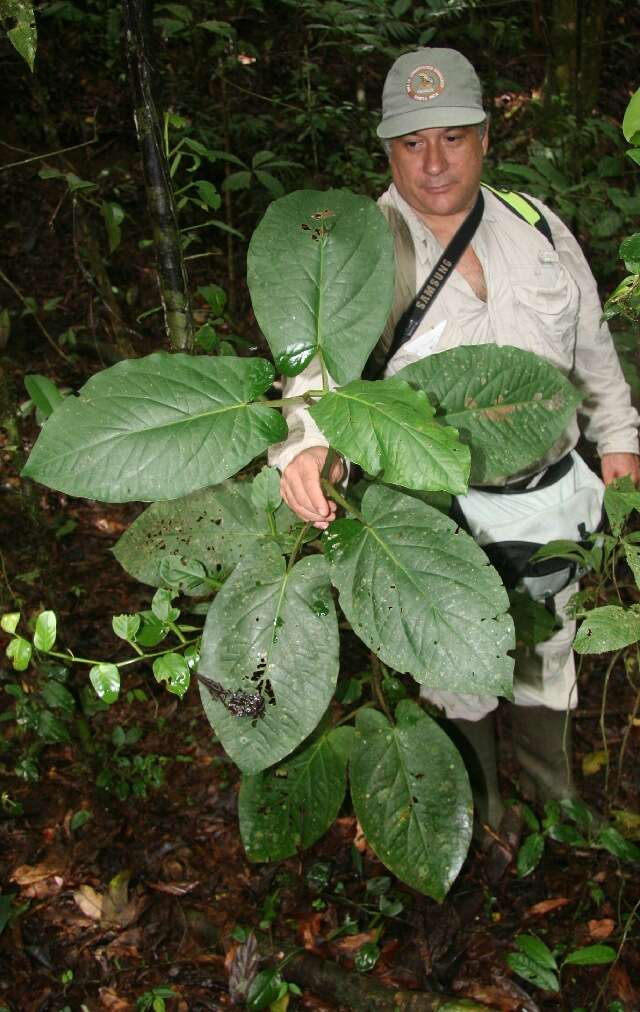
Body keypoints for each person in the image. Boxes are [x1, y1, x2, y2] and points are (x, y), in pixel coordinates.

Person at [268, 48, 640, 836]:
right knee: (457, 676)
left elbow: (592, 346)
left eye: (452, 137)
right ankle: (481, 811)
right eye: (411, 143)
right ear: (386, 148)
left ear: (483, 136)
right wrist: (303, 447)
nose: (433, 163)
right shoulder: (355, 254)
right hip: (441, 514)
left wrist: (619, 436)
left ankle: (551, 795)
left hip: (551, 500)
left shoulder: (538, 224)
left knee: (549, 658)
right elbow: (311, 380)